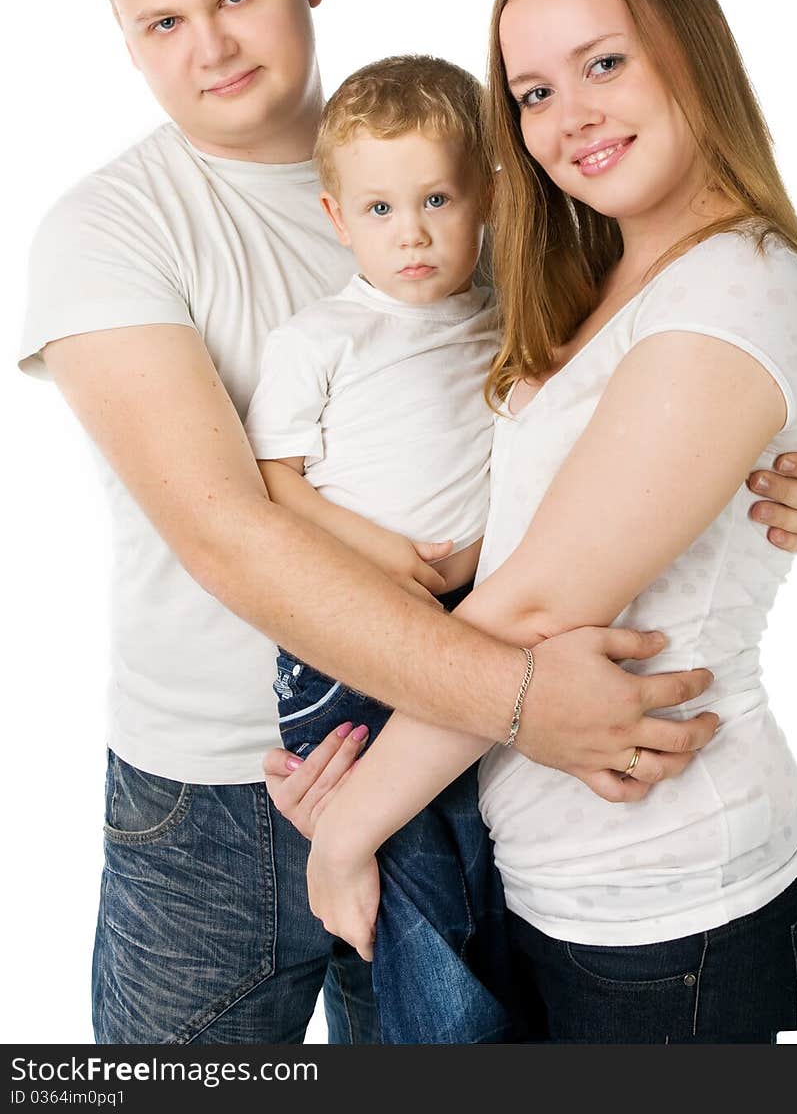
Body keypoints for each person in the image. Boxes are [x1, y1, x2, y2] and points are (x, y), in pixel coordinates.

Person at [18, 0, 797, 1046]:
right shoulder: (107, 231)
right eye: (159, 22)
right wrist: (521, 698)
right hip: (225, 787)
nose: (209, 47)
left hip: (450, 767)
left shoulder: (439, 166)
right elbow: (226, 532)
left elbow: (619, 375)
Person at [274, 0, 797, 1044]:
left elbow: (539, 601)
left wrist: (348, 827)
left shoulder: (732, 289)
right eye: (531, 91)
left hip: (667, 903)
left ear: (690, 49)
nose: (569, 114)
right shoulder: (606, 267)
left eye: (603, 62)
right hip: (545, 873)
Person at [245, 52, 525, 1042]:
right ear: (336, 217)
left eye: (437, 198)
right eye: (379, 210)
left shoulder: (505, 316)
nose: (410, 233)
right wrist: (382, 556)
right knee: (408, 849)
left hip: (472, 613)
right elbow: (276, 482)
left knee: (478, 849)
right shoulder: (322, 338)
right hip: (346, 631)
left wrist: (472, 555)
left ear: (486, 192)